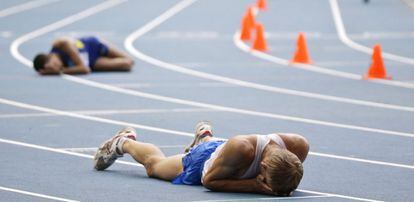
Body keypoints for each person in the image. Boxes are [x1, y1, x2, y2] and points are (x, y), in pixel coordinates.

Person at [94, 121, 309, 196]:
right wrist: (252, 185)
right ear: (262, 166)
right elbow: (209, 181)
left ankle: (205, 136)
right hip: (204, 162)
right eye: (268, 183)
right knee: (154, 166)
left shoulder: (299, 146)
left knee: (224, 155)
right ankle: (124, 141)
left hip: (227, 155)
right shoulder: (242, 148)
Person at [32, 36, 134, 75]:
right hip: (93, 63)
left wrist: (58, 72)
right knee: (126, 64)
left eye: (54, 64)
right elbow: (87, 69)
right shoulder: (62, 65)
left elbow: (84, 69)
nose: (57, 66)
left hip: (95, 45)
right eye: (54, 68)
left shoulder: (62, 45)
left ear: (49, 57)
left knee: (130, 60)